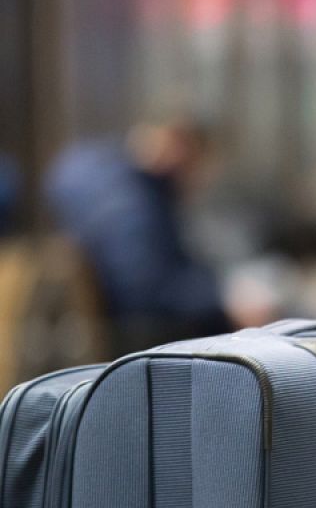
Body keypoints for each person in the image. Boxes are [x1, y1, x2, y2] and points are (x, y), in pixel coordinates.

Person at [45, 117, 233, 353]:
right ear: (178, 146)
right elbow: (147, 291)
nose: (195, 182)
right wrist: (222, 301)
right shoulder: (129, 206)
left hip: (126, 329)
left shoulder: (92, 168)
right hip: (135, 343)